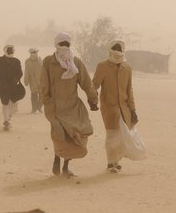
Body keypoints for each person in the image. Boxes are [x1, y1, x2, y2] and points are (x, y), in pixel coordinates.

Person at [40, 32, 98, 177]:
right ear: (56, 45)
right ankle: (56, 158)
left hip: (73, 107)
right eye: (62, 44)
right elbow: (43, 84)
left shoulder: (76, 63)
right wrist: (46, 102)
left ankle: (66, 165)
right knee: (59, 135)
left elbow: (86, 82)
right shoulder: (48, 62)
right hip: (56, 107)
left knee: (77, 134)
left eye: (67, 44)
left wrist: (93, 99)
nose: (64, 47)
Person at [92, 40, 138, 173]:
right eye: (115, 48)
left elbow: (129, 90)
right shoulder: (103, 66)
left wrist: (133, 109)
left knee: (122, 136)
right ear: (110, 50)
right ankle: (110, 164)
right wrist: (93, 101)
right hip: (109, 107)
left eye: (120, 49)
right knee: (112, 135)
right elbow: (94, 85)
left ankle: (115, 161)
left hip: (124, 109)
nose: (117, 51)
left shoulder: (127, 68)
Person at [0, 45, 24, 131]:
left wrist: (16, 79)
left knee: (15, 106)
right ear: (5, 50)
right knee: (5, 103)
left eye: (11, 50)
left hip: (14, 87)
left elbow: (20, 73)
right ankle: (6, 121)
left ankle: (8, 118)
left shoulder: (17, 61)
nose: (10, 51)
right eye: (9, 50)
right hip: (3, 87)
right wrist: (0, 83)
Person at [23, 47, 43, 114]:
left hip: (41, 80)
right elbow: (26, 71)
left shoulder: (40, 60)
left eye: (35, 52)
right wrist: (26, 80)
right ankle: (34, 109)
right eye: (32, 53)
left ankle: (39, 107)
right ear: (30, 53)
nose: (34, 54)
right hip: (32, 80)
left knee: (42, 95)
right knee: (34, 95)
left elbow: (44, 70)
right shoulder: (27, 61)